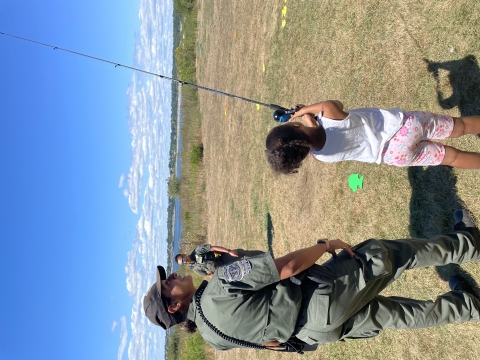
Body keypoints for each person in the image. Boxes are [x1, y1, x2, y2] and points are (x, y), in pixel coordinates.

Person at [143, 210, 480, 352]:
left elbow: (267, 340)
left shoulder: (212, 339)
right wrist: (325, 246)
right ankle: (469, 244)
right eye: (167, 284)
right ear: (174, 304)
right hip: (320, 297)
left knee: (396, 315)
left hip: (313, 331)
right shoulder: (214, 289)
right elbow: (285, 267)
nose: (172, 276)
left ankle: (469, 307)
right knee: (389, 255)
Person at [265, 100, 480, 174]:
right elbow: (333, 105)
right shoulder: (329, 112)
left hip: (393, 155)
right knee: (458, 126)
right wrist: (304, 111)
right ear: (295, 123)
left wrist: (310, 120)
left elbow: (319, 138)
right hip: (402, 127)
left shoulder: (320, 156)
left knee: (450, 158)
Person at [175, 244, 263, 276]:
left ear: (184, 255)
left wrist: (229, 251)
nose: (184, 261)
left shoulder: (197, 251)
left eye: (183, 259)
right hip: (225, 270)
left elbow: (212, 248)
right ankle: (264, 265)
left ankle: (266, 255)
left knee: (246, 255)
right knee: (247, 270)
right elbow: (208, 275)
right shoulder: (196, 269)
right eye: (182, 263)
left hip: (225, 257)